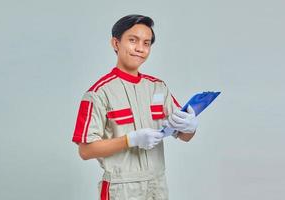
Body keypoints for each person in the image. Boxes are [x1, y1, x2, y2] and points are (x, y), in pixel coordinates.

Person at [71, 14, 198, 200]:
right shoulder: (98, 93)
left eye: (146, 43)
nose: (140, 48)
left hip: (157, 184)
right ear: (116, 43)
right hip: (121, 188)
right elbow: (85, 151)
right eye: (133, 40)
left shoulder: (158, 87)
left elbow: (184, 136)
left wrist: (191, 127)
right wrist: (130, 140)